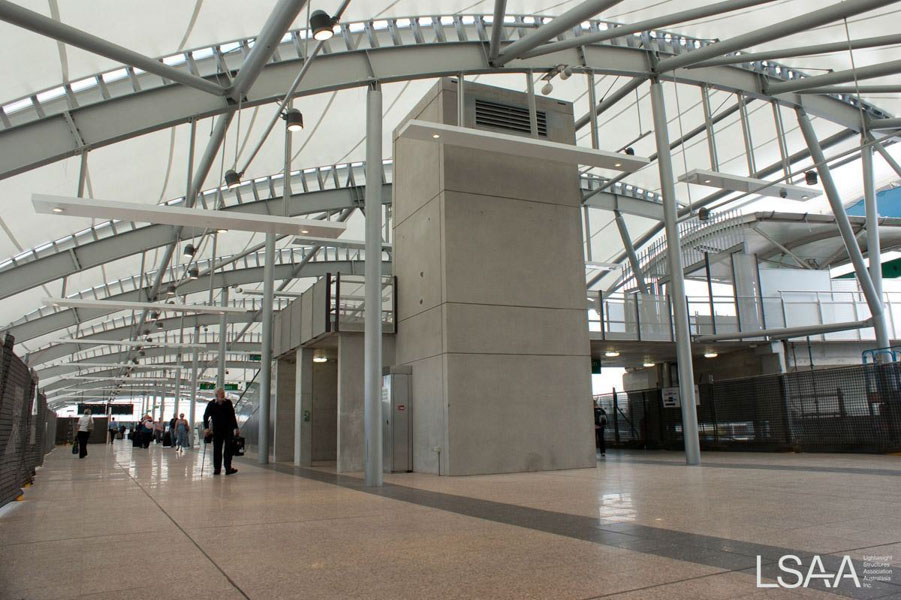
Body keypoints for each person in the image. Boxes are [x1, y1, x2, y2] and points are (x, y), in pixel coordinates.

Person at [203, 388, 240, 475]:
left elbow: (232, 416)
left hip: (228, 429)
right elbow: (206, 416)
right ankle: (217, 469)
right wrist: (206, 428)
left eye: (223, 393)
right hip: (217, 430)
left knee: (228, 449)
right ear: (216, 395)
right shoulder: (211, 404)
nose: (222, 395)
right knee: (217, 449)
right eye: (220, 393)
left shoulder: (228, 403)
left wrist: (236, 428)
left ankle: (228, 468)